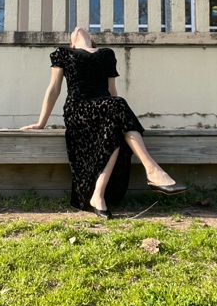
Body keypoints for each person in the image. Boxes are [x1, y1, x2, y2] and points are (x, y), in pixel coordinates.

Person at [22, 27, 187, 219]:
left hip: (105, 108)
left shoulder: (107, 54)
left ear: (93, 40)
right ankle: (152, 170)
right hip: (79, 109)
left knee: (115, 117)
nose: (78, 27)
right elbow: (54, 88)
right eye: (73, 32)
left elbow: (111, 90)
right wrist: (41, 122)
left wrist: (119, 117)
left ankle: (98, 196)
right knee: (117, 105)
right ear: (72, 43)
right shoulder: (64, 53)